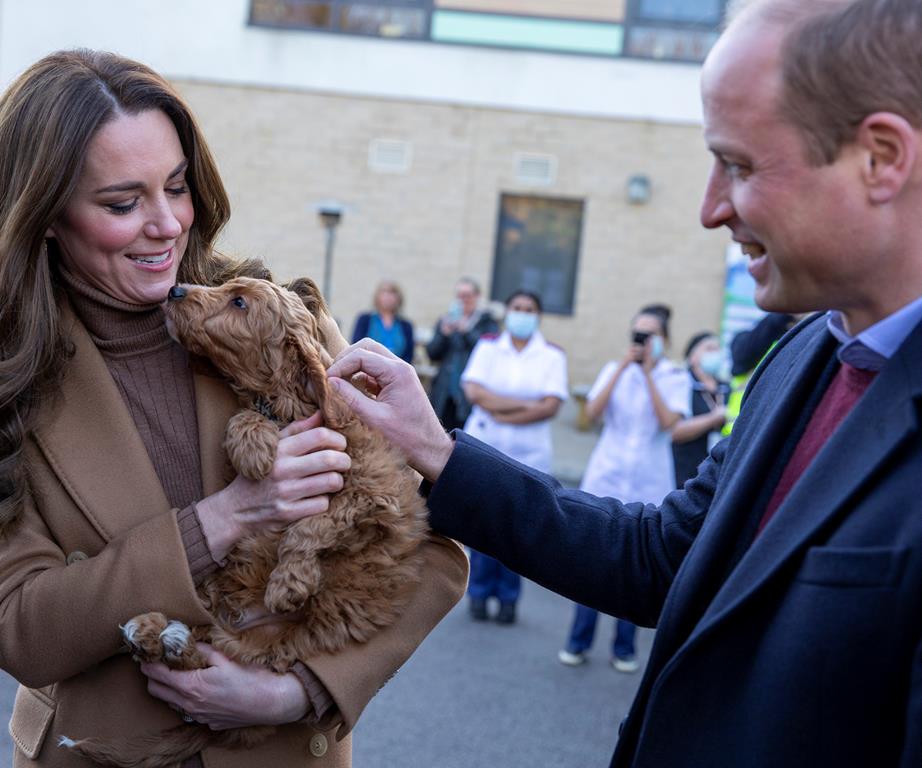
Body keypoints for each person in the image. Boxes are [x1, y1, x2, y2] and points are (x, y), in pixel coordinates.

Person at [325, 0, 922, 765]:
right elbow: (660, 559)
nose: (711, 209)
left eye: (738, 166)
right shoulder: (803, 356)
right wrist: (434, 448)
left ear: (881, 158)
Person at [0, 49, 466, 768]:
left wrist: (301, 690)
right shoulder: (12, 376)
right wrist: (223, 520)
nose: (167, 224)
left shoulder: (280, 327)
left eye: (178, 187)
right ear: (48, 216)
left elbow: (433, 550)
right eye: (123, 203)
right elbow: (21, 629)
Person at [557, 305, 689, 672]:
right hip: (607, 474)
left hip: (648, 477)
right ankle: (579, 639)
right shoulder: (613, 371)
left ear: (664, 340)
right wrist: (622, 368)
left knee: (637, 560)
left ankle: (625, 647)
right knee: (591, 556)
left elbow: (670, 423)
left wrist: (648, 375)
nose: (642, 343)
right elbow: (592, 413)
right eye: (637, 335)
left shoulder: (674, 377)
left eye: (650, 336)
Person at [460, 290, 568, 624]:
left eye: (529, 309)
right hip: (485, 445)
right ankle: (478, 593)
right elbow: (474, 392)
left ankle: (508, 598)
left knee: (519, 527)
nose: (522, 314)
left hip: (529, 453)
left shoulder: (551, 355)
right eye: (517, 308)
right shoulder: (490, 346)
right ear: (508, 312)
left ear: (538, 316)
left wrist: (501, 408)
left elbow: (551, 405)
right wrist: (525, 404)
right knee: (482, 522)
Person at [425, 277, 498, 431]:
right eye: (460, 296)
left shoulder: (487, 322)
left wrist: (467, 331)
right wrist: (444, 335)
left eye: (468, 295)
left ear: (477, 297)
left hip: (470, 396)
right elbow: (432, 354)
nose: (463, 300)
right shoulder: (446, 320)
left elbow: (490, 352)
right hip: (444, 394)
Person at [671, 331, 730, 486]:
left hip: (717, 475)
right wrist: (713, 419)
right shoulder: (682, 385)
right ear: (692, 357)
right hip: (684, 473)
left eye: (717, 349)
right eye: (709, 349)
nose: (715, 354)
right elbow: (674, 432)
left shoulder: (726, 387)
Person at [350, 279, 415, 364]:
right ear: (377, 296)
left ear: (398, 298)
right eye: (384, 292)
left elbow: (409, 355)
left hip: (397, 370)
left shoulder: (406, 325)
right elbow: (356, 346)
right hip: (367, 368)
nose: (387, 296)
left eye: (392, 292)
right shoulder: (365, 320)